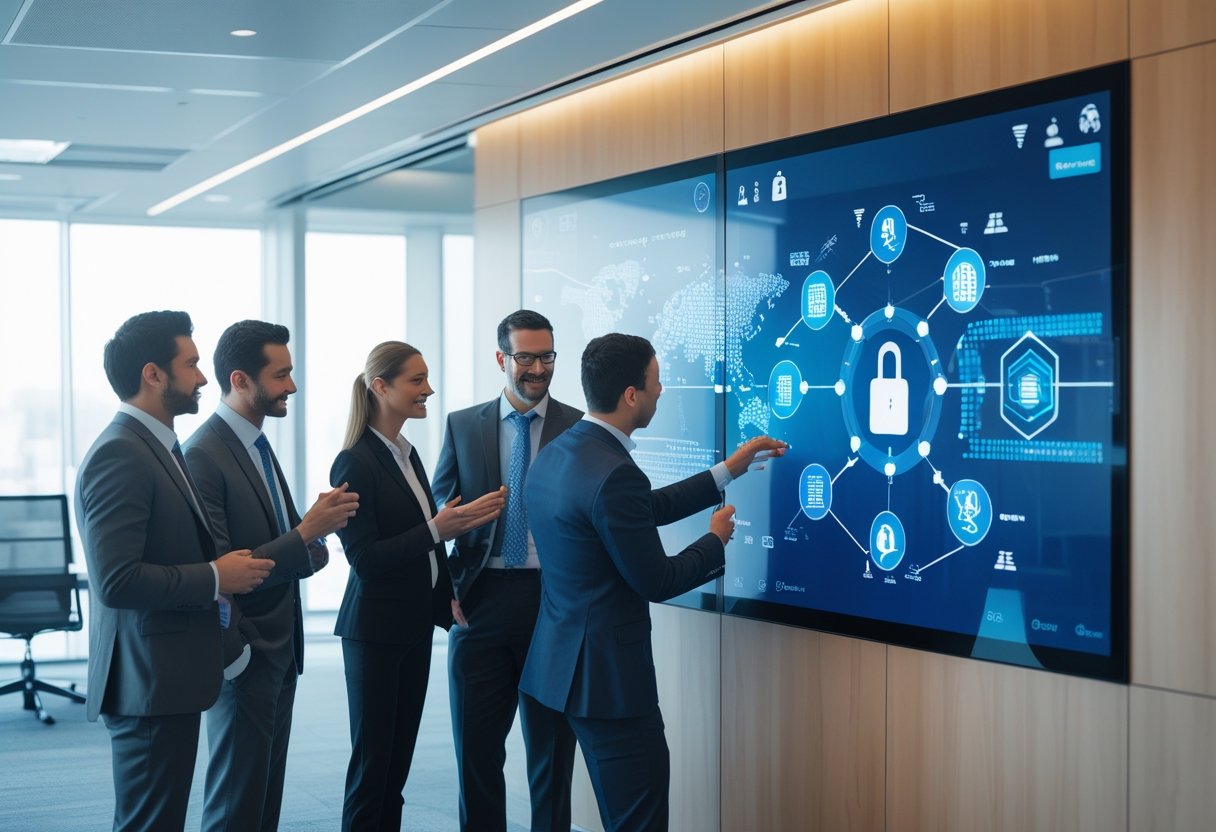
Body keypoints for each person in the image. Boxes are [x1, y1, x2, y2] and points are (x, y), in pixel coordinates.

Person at [519, 333, 787, 832]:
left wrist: (726, 472)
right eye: (656, 382)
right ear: (630, 395)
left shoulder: (561, 451)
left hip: (554, 671)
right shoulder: (613, 472)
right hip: (607, 687)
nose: (662, 391)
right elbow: (657, 580)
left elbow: (636, 511)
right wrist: (714, 541)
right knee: (638, 821)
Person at [75, 310, 274, 832]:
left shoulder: (160, 448)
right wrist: (215, 577)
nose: (203, 377)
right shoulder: (121, 452)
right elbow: (116, 581)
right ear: (153, 374)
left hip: (172, 677)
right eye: (190, 364)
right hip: (148, 683)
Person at [182, 320, 360, 832]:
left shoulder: (256, 443)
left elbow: (274, 543)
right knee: (236, 804)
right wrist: (306, 532)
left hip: (280, 649)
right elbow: (227, 569)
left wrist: (313, 540)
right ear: (241, 380)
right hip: (246, 651)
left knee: (263, 800)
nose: (292, 387)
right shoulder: (203, 455)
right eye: (281, 375)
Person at [331, 341, 506, 831]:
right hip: (373, 633)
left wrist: (445, 593)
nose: (428, 389)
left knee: (395, 772)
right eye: (416, 380)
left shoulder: (406, 455)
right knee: (372, 772)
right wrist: (439, 528)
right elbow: (366, 559)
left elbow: (425, 545)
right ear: (380, 387)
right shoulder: (355, 461)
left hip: (410, 628)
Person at [432, 310, 580, 832]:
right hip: (482, 600)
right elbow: (435, 519)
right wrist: (442, 590)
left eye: (547, 357)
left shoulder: (578, 427)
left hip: (553, 603)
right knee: (476, 754)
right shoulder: (462, 425)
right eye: (526, 357)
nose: (537, 368)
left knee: (552, 757)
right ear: (502, 358)